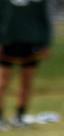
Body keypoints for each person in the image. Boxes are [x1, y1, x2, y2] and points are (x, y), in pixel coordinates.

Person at [0, 0, 52, 129]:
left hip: (32, 43)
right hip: (8, 43)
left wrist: (46, 44)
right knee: (2, 82)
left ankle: (19, 116)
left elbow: (45, 19)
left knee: (26, 82)